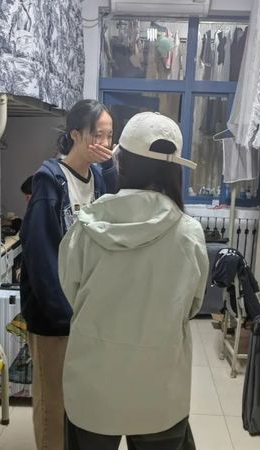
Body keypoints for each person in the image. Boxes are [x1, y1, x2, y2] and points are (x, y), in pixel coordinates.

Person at [58, 112, 209, 450]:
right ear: (175, 171)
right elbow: (192, 305)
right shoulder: (189, 234)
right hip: (159, 387)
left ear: (121, 162)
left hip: (93, 384)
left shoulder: (86, 226)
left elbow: (71, 291)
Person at [19, 99, 117, 450]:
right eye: (97, 135)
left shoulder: (99, 178)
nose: (104, 144)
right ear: (75, 134)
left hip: (84, 312)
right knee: (53, 402)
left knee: (79, 398)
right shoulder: (51, 182)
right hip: (55, 316)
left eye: (109, 136)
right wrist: (65, 317)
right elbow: (41, 259)